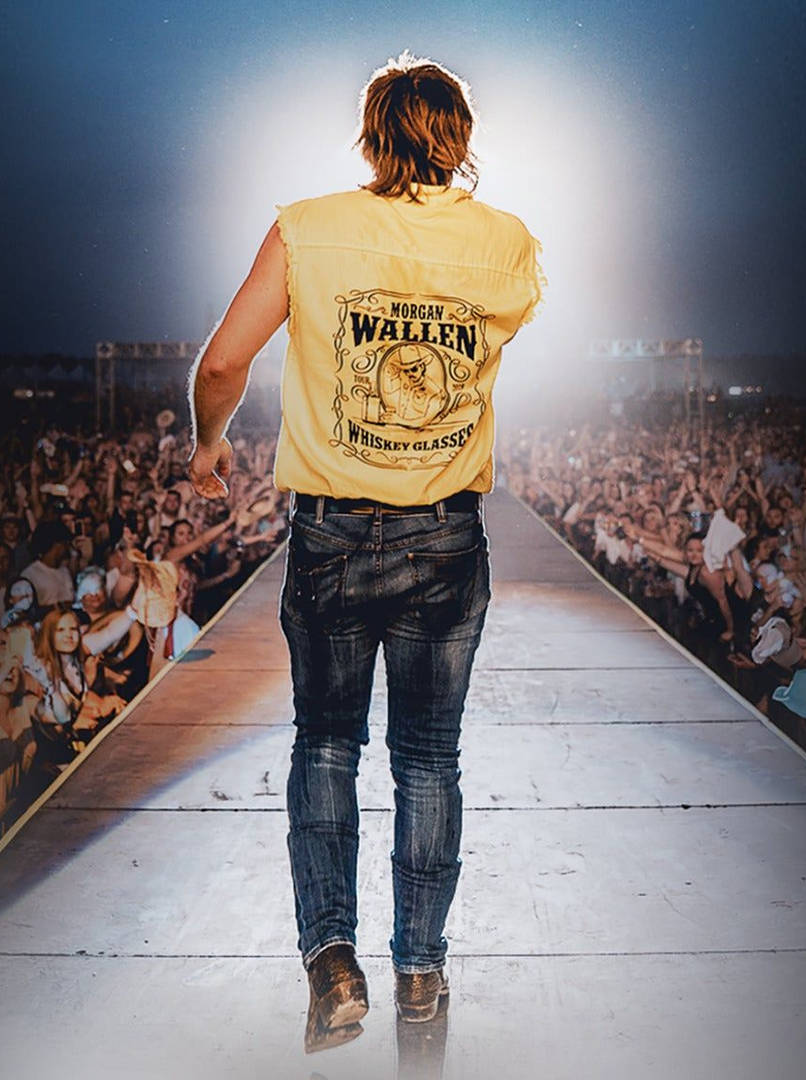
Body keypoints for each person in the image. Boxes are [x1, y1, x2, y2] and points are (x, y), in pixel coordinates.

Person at [186, 52, 542, 1053]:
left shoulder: (306, 227)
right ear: (459, 139)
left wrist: (210, 444)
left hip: (333, 531)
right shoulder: (508, 243)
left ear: (372, 135)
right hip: (444, 533)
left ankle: (333, 962)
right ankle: (421, 974)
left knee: (327, 746)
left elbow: (223, 360)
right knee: (429, 758)